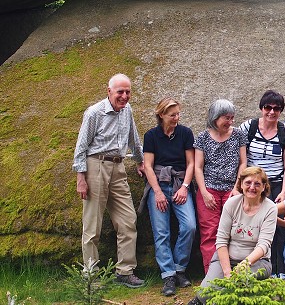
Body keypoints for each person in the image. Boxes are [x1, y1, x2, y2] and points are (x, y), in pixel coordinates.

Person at [72, 73, 145, 288]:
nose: (124, 96)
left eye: (127, 92)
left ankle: (125, 271)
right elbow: (81, 147)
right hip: (96, 166)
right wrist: (81, 178)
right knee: (92, 224)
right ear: (109, 91)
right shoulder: (94, 113)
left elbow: (134, 136)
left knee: (128, 219)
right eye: (120, 92)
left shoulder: (127, 110)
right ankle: (91, 276)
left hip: (118, 166)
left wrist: (140, 160)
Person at [188, 167, 277, 305]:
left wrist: (243, 266)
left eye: (257, 184)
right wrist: (227, 271)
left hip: (257, 262)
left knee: (236, 289)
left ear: (264, 187)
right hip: (226, 259)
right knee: (205, 292)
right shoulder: (231, 204)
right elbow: (221, 240)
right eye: (248, 183)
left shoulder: (270, 208)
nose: (252, 187)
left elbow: (264, 245)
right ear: (241, 184)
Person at [140, 98, 195, 296]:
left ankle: (180, 268)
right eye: (172, 115)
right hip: (159, 185)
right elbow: (147, 166)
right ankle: (168, 275)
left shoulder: (185, 133)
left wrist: (185, 188)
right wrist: (157, 192)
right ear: (161, 115)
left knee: (190, 226)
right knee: (161, 232)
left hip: (180, 184)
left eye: (178, 114)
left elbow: (191, 163)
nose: (176, 118)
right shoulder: (151, 135)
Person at [238, 90, 285, 279]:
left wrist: (284, 191)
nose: (271, 112)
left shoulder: (284, 131)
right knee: (258, 227)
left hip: (276, 183)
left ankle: (281, 270)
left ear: (281, 111)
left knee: (280, 228)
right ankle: (263, 269)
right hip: (254, 185)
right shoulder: (249, 127)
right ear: (261, 108)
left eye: (276, 108)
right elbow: (243, 160)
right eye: (267, 107)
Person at [194, 99, 247, 273]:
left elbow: (243, 163)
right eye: (226, 118)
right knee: (210, 233)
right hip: (209, 189)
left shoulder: (238, 134)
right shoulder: (202, 137)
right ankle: (212, 274)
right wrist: (204, 193)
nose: (230, 122)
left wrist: (237, 188)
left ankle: (232, 272)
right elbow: (198, 167)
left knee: (233, 231)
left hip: (232, 188)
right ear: (215, 117)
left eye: (232, 118)